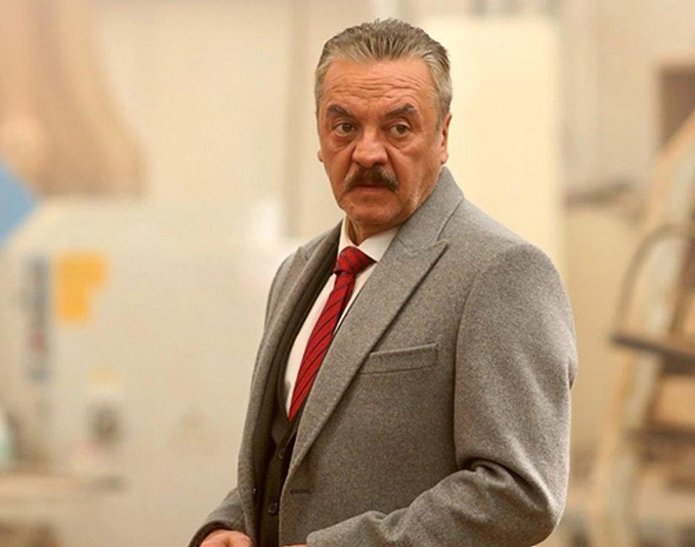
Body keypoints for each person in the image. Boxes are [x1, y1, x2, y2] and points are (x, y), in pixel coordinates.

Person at [191, 18, 577, 547]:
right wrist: (232, 523)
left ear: (442, 136)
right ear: (320, 137)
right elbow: (291, 452)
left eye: (398, 128)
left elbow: (519, 493)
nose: (368, 153)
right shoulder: (298, 272)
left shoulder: (501, 273)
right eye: (344, 127)